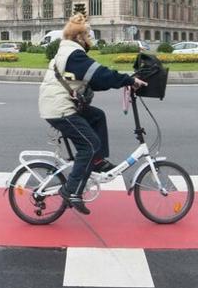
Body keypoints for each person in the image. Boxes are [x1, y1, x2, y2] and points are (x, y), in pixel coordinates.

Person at [38, 13, 146, 215]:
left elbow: (95, 81)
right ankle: (71, 191)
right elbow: (101, 75)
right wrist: (128, 81)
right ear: (80, 37)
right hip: (59, 108)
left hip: (59, 105)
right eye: (89, 35)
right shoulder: (74, 55)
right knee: (89, 145)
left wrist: (124, 81)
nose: (91, 39)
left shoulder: (71, 52)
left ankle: (97, 161)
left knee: (97, 115)